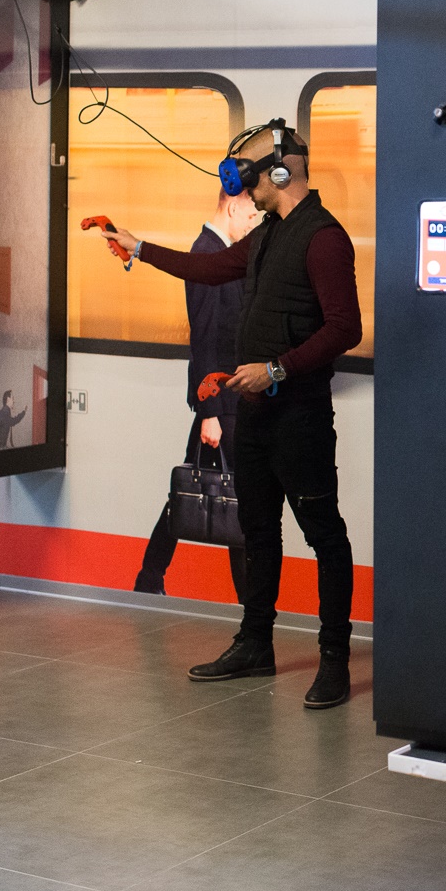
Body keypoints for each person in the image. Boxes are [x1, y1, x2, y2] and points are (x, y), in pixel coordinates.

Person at [99, 120, 362, 708]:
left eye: (248, 177)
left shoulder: (323, 238)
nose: (240, 189)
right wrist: (138, 247)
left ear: (281, 172)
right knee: (258, 532)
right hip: (255, 418)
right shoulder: (268, 234)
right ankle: (255, 645)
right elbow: (210, 269)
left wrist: (276, 370)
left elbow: (346, 328)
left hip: (299, 418)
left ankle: (334, 660)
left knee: (324, 535)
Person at [133, 187, 264, 597]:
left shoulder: (220, 251)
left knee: (202, 488)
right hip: (221, 402)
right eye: (251, 215)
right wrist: (210, 413)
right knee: (235, 495)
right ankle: (249, 606)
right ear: (233, 206)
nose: (253, 223)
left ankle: (150, 577)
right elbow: (204, 337)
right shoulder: (206, 252)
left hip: (226, 398)